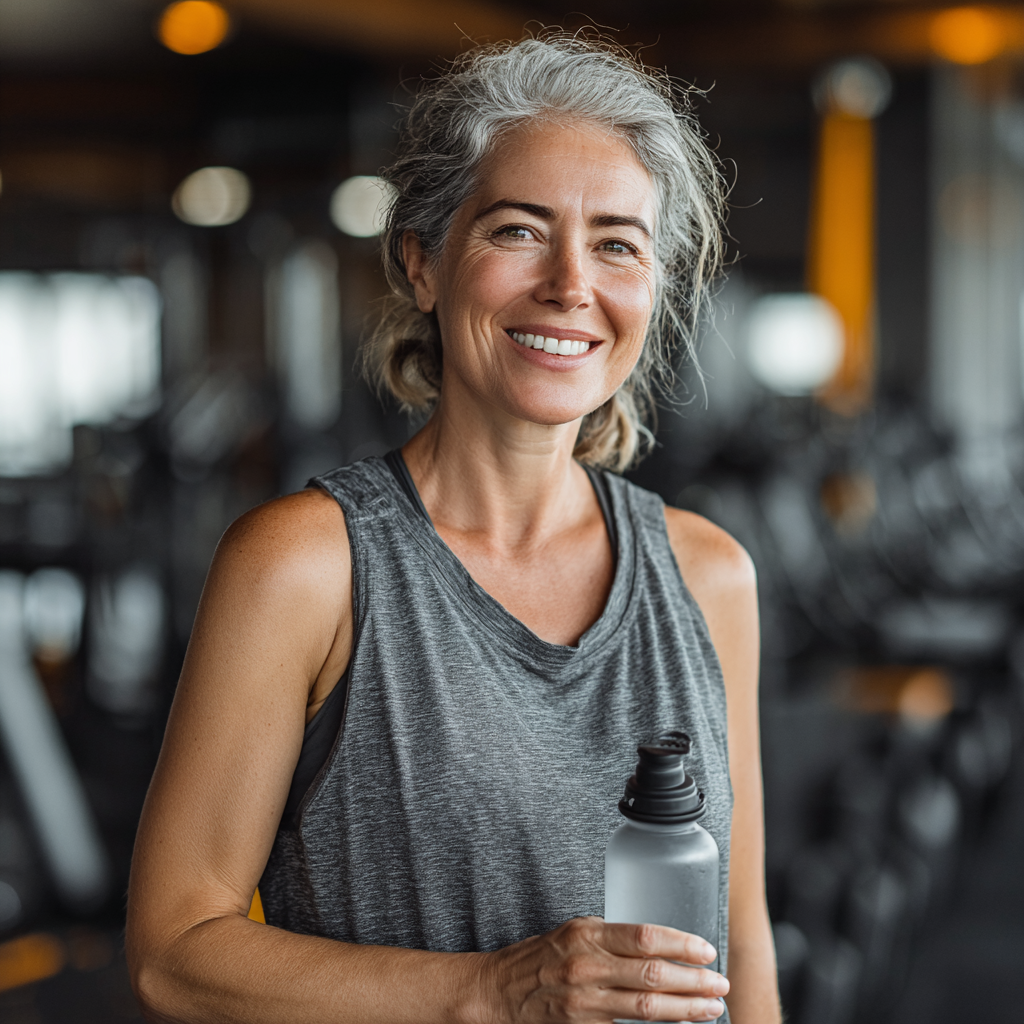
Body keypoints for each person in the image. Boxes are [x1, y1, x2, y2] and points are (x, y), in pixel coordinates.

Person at [127, 33, 780, 1024]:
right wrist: (490, 989)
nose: (571, 283)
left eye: (617, 243)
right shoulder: (307, 565)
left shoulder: (708, 575)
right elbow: (173, 953)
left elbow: (739, 940)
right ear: (422, 262)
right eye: (518, 231)